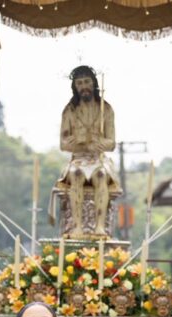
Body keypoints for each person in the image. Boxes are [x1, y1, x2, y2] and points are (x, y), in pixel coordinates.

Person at [56, 65, 119, 239]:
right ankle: (76, 227)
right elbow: (63, 143)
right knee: (75, 174)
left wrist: (99, 143)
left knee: (100, 176)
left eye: (87, 82)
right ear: (75, 87)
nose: (84, 86)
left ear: (94, 84)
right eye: (79, 83)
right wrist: (81, 144)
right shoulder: (70, 110)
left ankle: (99, 227)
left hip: (98, 159)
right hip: (78, 159)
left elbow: (111, 142)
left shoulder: (105, 109)